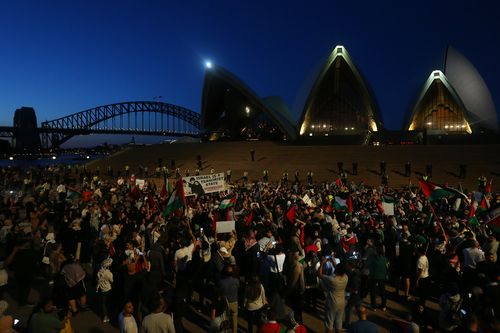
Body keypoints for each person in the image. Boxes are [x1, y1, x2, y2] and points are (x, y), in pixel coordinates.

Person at [319, 256, 348, 333]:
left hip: (332, 303)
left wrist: (322, 263)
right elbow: (340, 269)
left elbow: (319, 274)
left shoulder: (332, 280)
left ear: (337, 270)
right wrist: (333, 261)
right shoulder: (345, 277)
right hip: (342, 302)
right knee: (338, 323)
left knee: (329, 324)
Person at [218, 265, 239, 333]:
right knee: (234, 318)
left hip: (225, 302)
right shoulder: (236, 281)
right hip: (234, 302)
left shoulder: (221, 282)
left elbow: (220, 292)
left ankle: (225, 331)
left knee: (225, 319)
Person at [367, 245, 388, 311]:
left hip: (373, 277)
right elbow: (387, 268)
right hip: (382, 277)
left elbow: (369, 267)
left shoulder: (372, 258)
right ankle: (383, 306)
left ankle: (374, 306)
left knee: (373, 292)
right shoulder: (385, 259)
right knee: (383, 292)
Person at [97, 258, 113, 323]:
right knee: (108, 303)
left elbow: (98, 280)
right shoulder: (109, 273)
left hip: (102, 289)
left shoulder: (100, 272)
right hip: (108, 289)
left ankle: (105, 316)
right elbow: (112, 281)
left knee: (103, 303)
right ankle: (109, 315)